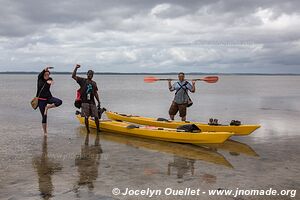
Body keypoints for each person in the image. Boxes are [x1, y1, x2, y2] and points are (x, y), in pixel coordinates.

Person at [72, 64, 101, 134]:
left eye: (91, 74)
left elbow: (95, 93)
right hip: (84, 102)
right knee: (86, 117)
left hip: (92, 102)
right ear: (87, 74)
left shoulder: (94, 83)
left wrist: (99, 101)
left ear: (93, 75)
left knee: (96, 116)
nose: (90, 75)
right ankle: (88, 131)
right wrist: (76, 68)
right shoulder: (82, 80)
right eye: (89, 74)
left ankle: (98, 130)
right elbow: (73, 76)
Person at [37, 67, 63, 136]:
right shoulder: (40, 79)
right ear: (43, 74)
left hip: (49, 98)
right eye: (45, 74)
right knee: (44, 116)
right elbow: (41, 74)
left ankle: (47, 107)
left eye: (48, 75)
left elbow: (52, 82)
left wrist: (50, 81)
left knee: (59, 102)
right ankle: (45, 132)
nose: (47, 76)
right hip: (41, 100)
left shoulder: (49, 79)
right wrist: (46, 68)